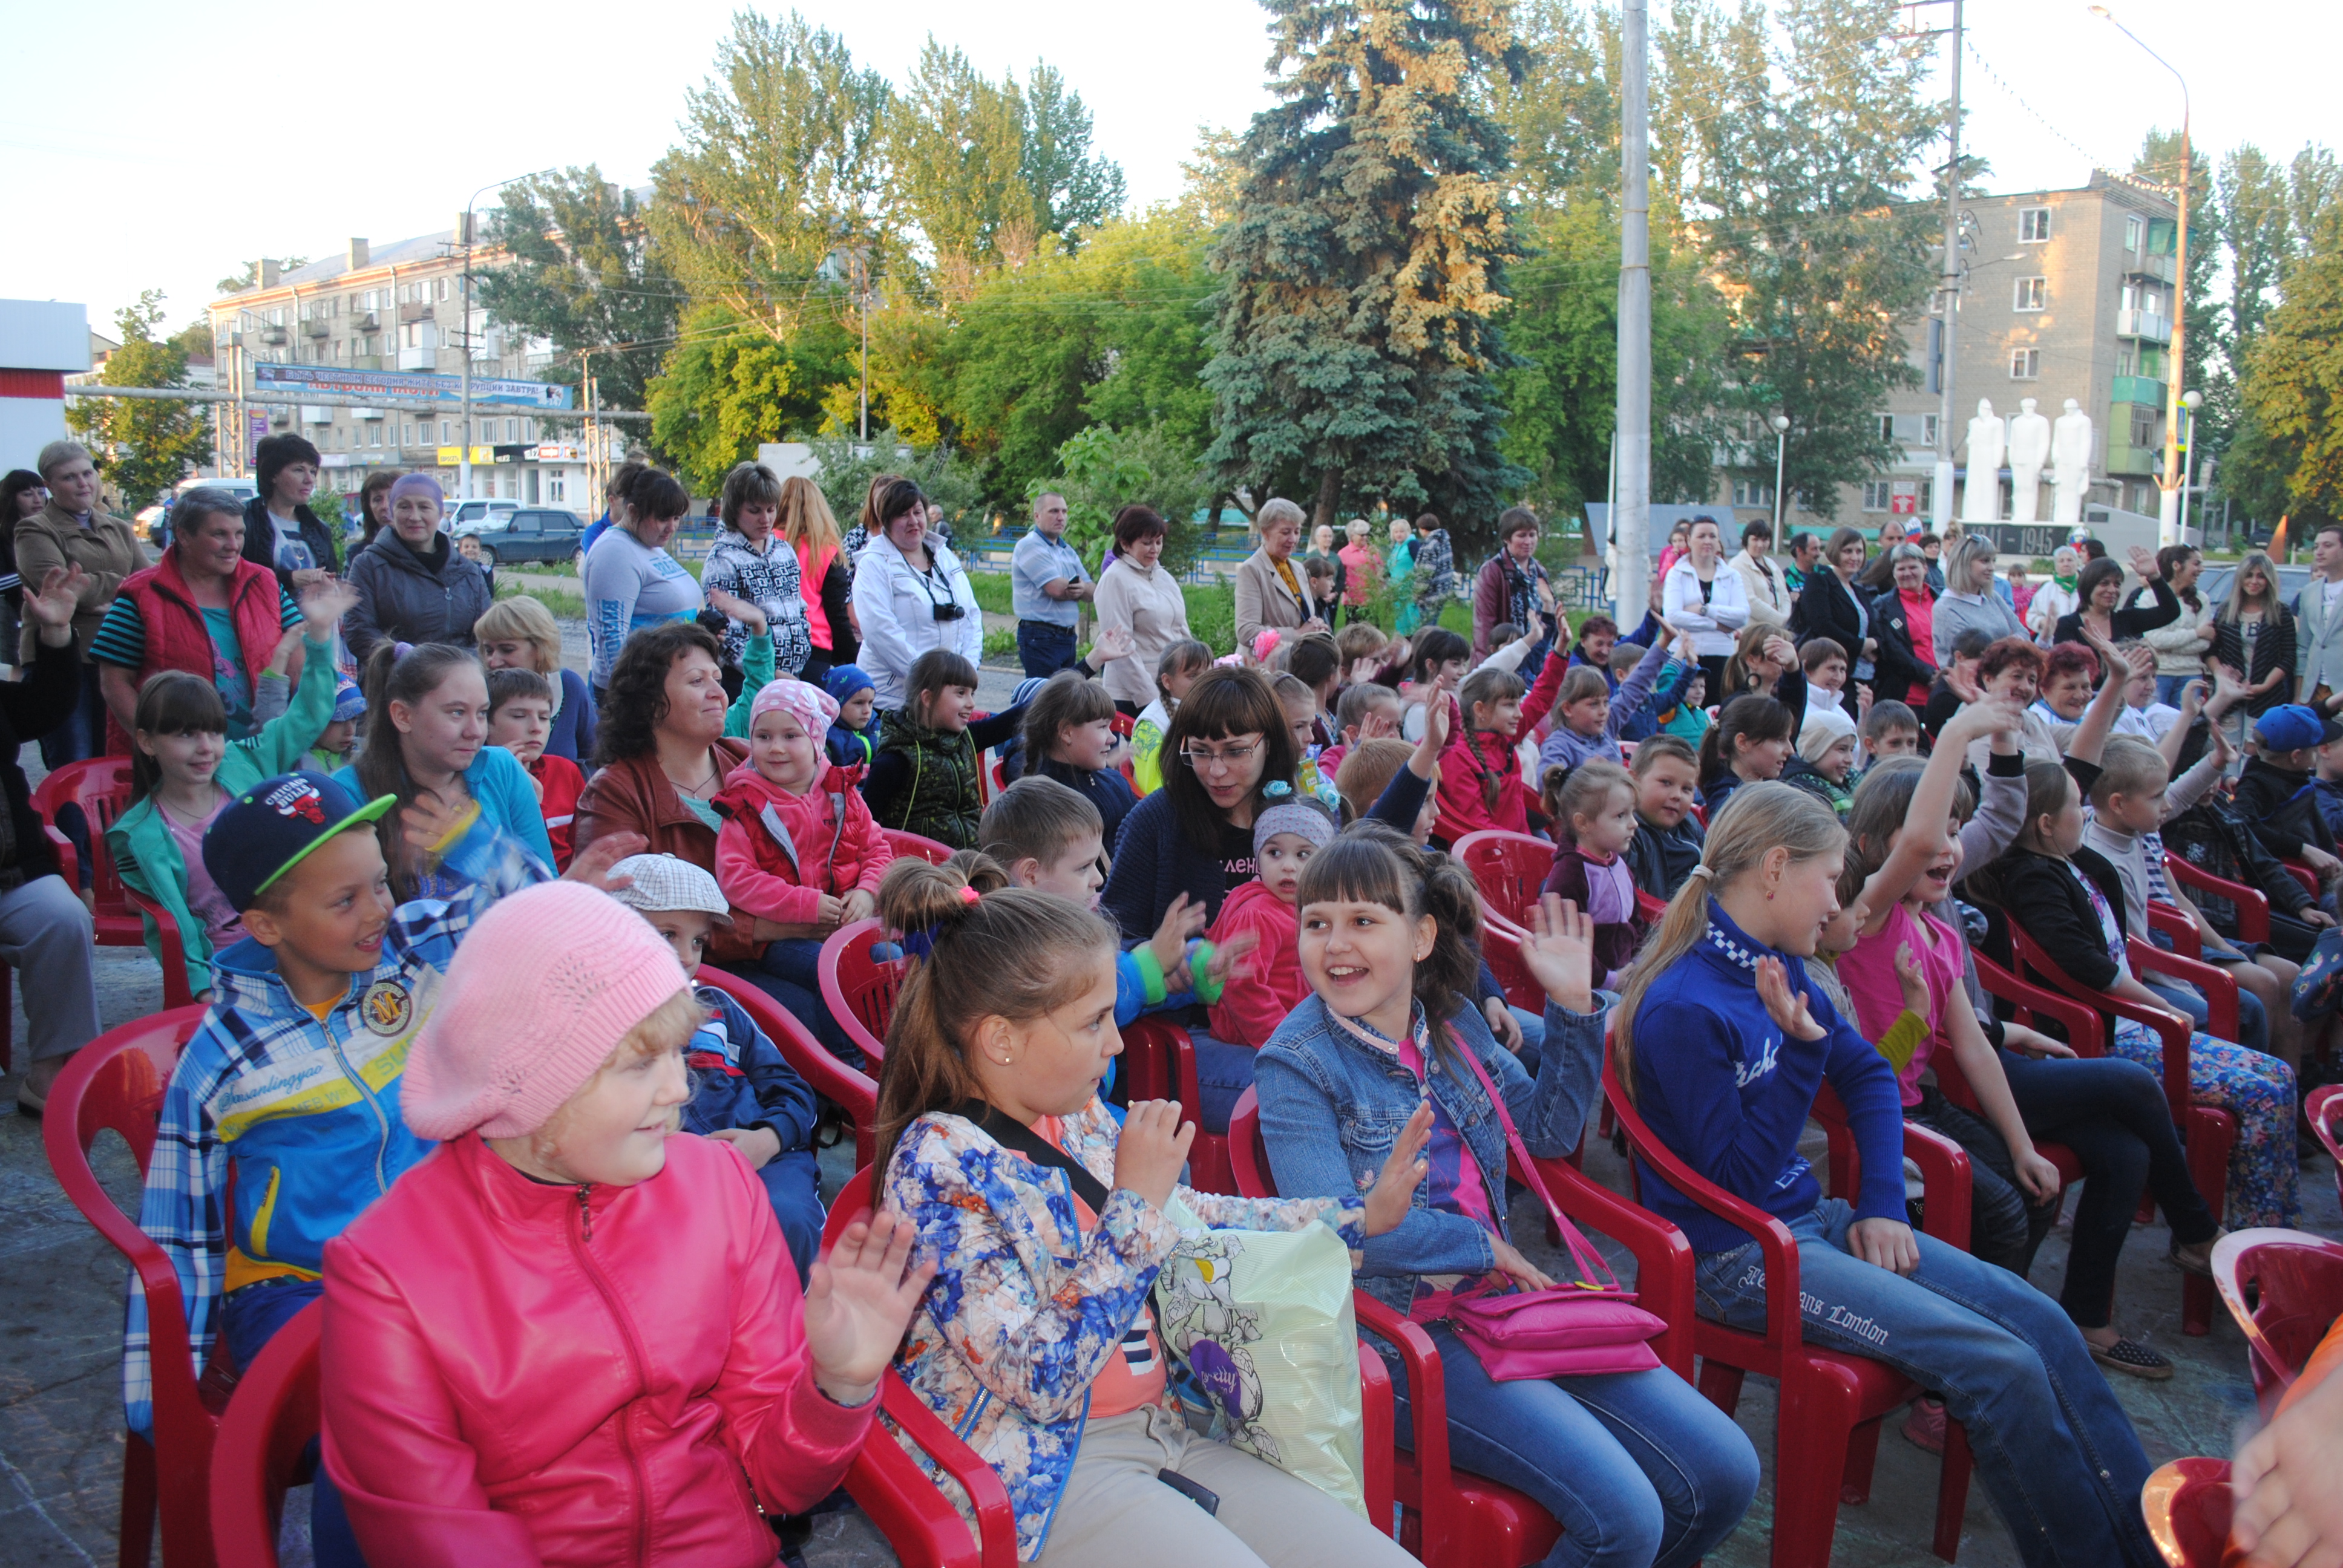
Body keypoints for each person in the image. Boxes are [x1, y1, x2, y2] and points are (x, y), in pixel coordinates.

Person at [1619, 782, 2168, 1568]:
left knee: (2041, 1323)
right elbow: (1737, 1188)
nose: (1839, 902)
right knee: (1997, 1365)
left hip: (1813, 1227)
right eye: (1831, 878)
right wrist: (1805, 1054)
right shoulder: (1684, 1007)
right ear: (1775, 869)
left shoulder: (1779, 969)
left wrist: (1881, 1202)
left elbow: (1873, 1079)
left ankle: (2147, 1548)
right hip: (1739, 1263)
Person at [321, 877, 925, 1566]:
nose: (679, 1089)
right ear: (526, 1077)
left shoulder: (719, 1188)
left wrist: (835, 1388)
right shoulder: (387, 1275)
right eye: (642, 1063)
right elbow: (436, 1538)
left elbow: (777, 1485)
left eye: (677, 1053)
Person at [871, 856, 1423, 1568]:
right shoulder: (938, 1167)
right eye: (1093, 1022)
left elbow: (1192, 1214)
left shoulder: (1075, 1121)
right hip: (1044, 1474)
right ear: (999, 1040)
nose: (1114, 1043)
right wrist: (1132, 1212)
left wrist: (1353, 1219)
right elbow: (1037, 1382)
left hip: (1163, 1429)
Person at [1259, 841, 1760, 1568]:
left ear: (1422, 935)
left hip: (1502, 1310)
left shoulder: (1452, 1021)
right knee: (1623, 1517)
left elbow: (1547, 1133)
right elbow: (1328, 1228)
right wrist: (1480, 1246)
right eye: (1316, 923)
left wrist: (1571, 1008)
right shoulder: (1294, 1063)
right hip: (1397, 1339)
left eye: (1363, 920)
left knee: (1723, 1473)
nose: (1335, 944)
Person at [123, 769, 595, 1473]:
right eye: (346, 900)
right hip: (296, 1288)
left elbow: (546, 917)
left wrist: (474, 845)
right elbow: (177, 1235)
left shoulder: (412, 960)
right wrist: (159, 1401)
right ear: (264, 926)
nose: (378, 910)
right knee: (386, 1423)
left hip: (436, 1262)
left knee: (555, 1375)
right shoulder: (222, 1059)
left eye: (380, 882)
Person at [1974, 752, 2301, 1232]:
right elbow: (2085, 963)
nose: (2084, 813)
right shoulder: (2034, 878)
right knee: (2262, 1095)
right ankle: (2259, 1241)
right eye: (2076, 805)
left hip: (2138, 1024)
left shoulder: (2068, 863)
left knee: (2281, 1078)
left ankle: (2269, 1233)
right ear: (2046, 824)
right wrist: (2162, 1006)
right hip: (2118, 1037)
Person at [110, 583, 352, 1001]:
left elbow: (309, 714)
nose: (206, 748)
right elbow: (170, 927)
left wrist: (319, 638)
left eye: (215, 731)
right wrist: (202, 987)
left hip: (295, 936)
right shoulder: (139, 834)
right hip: (232, 966)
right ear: (148, 742)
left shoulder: (243, 763)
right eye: (186, 735)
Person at [604, 854, 825, 1276]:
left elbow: (793, 1092)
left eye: (698, 941)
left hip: (763, 1163)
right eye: (668, 934)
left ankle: (786, 1334)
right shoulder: (602, 1026)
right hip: (663, 1178)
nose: (687, 955)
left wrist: (768, 1140)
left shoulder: (719, 1010)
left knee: (788, 1219)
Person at [576, 621, 797, 991]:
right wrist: (778, 926)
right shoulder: (615, 792)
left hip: (784, 938)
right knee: (815, 1009)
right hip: (689, 970)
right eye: (697, 682)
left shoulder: (749, 759)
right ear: (650, 703)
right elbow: (626, 918)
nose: (719, 693)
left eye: (717, 678)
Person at [712, 677, 887, 1066]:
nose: (775, 748)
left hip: (841, 924)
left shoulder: (842, 793)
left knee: (892, 959)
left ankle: (896, 1050)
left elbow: (877, 849)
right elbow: (737, 879)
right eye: (763, 736)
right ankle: (851, 1067)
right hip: (778, 937)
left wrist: (867, 891)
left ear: (816, 740)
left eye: (790, 735)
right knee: (833, 971)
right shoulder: (744, 805)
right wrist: (806, 904)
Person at [0, 564, 105, 1115]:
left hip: (11, 873)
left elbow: (43, 711)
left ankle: (50, 1073)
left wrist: (57, 635)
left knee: (63, 919)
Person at [337, 642, 555, 900]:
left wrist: (473, 846)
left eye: (483, 713)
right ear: (403, 716)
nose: (475, 731)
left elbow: (545, 890)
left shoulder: (502, 770)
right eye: (457, 712)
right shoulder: (347, 792)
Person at [93, 486, 304, 749]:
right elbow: (114, 684)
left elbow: (299, 656)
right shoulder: (139, 595)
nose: (234, 545)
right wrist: (157, 745)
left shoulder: (265, 583)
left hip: (258, 755)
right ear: (183, 536)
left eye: (240, 534)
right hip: (174, 767)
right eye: (220, 534)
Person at [15, 440, 140, 766]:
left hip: (119, 656)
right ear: (49, 486)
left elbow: (151, 583)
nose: (84, 483)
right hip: (64, 662)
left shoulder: (119, 529)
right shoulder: (33, 529)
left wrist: (99, 593)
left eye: (88, 473)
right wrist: (121, 586)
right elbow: (61, 589)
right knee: (75, 761)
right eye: (70, 477)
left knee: (121, 760)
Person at [863, 650, 1024, 851]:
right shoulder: (895, 760)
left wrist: (1069, 680)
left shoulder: (965, 739)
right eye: (961, 693)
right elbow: (865, 827)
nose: (971, 703)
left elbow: (1020, 716)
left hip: (969, 863)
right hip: (922, 874)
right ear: (928, 698)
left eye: (972, 694)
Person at [851, 478, 983, 711]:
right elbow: (880, 630)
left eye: (918, 512)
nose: (913, 521)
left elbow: (971, 616)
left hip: (943, 700)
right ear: (886, 521)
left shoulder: (945, 557)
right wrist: (930, 680)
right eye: (903, 515)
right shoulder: (873, 563)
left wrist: (965, 675)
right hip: (893, 701)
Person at [344, 475, 492, 664]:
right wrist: (404, 657)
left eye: (424, 507)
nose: (414, 517)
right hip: (395, 682)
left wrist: (458, 665)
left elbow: (488, 634)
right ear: (392, 512)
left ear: (440, 513)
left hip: (460, 682)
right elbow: (359, 633)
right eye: (404, 507)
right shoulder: (369, 566)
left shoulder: (468, 572)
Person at [582, 467, 703, 692]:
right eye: (663, 518)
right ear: (633, 512)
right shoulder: (614, 551)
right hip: (638, 692)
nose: (672, 528)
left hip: (665, 682)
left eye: (676, 518)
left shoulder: (648, 544)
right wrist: (629, 701)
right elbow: (612, 641)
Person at [700, 460, 814, 681]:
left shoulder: (784, 550)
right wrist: (772, 674)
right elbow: (727, 638)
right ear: (735, 511)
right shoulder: (723, 559)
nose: (766, 519)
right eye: (755, 511)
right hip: (748, 680)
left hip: (793, 675)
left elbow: (800, 609)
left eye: (771, 510)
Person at [1539, 760, 1649, 986]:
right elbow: (1565, 945)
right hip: (1588, 988)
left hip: (1625, 975)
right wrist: (1611, 980)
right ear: (1583, 823)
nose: (1634, 824)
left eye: (1632, 814)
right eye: (1621, 816)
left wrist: (1639, 962)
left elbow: (1635, 921)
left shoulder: (1619, 865)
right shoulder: (1570, 874)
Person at [473, 595, 598, 768]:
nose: (493, 662)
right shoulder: (477, 693)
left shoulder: (569, 686)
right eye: (488, 650)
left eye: (507, 650)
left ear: (540, 648)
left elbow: (595, 759)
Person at [1020, 670, 1141, 846]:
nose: (1112, 738)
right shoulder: (1053, 802)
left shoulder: (1110, 780)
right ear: (1066, 733)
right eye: (1102, 727)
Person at [1093, 504, 1191, 719]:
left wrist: (1198, 672)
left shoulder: (1163, 576)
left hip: (1170, 687)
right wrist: (1152, 700)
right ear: (1125, 544)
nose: (1154, 549)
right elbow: (1121, 650)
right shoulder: (1115, 579)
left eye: (1159, 542)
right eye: (1146, 543)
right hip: (1134, 695)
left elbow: (1182, 631)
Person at [484, 667, 584, 871]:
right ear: (486, 723)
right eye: (520, 716)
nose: (536, 727)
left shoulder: (565, 771)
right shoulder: (477, 778)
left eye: (545, 717)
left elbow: (584, 847)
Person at [776, 474, 854, 682]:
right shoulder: (826, 551)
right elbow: (837, 613)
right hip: (816, 649)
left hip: (773, 648)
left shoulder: (765, 543)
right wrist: (852, 655)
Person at [241, 433, 339, 593]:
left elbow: (333, 578)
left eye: (313, 472)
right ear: (272, 475)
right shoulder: (246, 521)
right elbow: (235, 577)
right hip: (266, 616)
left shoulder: (319, 529)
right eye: (299, 470)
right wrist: (289, 579)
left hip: (314, 618)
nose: (310, 480)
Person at [1663, 515, 1751, 693]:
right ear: (1689, 540)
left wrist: (1705, 610)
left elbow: (1742, 616)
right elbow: (1673, 616)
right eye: (1701, 536)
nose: (1708, 541)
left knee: (1716, 711)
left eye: (1713, 536)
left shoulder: (1732, 575)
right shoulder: (1677, 574)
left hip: (1721, 656)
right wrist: (1718, 625)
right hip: (1684, 654)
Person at [1011, 491, 1092, 678]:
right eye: (1054, 511)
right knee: (1045, 702)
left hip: (1067, 637)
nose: (1061, 517)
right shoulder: (1029, 546)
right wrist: (1081, 588)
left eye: (1064, 511)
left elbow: (1093, 592)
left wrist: (1080, 588)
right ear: (1037, 516)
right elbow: (1057, 589)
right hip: (1040, 637)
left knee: (1064, 699)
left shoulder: (1067, 551)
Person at [1234, 497, 1331, 652]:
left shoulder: (1298, 568)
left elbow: (1302, 617)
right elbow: (1247, 632)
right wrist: (1298, 634)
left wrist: (1316, 626)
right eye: (1286, 532)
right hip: (1265, 669)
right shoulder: (1252, 570)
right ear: (1265, 532)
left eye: (1297, 532)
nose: (1293, 539)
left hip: (1297, 663)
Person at [1788, 526, 1873, 688]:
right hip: (1830, 675)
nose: (1855, 557)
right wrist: (1861, 646)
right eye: (1848, 551)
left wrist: (1875, 645)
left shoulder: (1860, 591)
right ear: (1835, 551)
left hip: (1864, 676)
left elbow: (1875, 630)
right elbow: (1822, 625)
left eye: (1859, 551)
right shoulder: (1820, 581)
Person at [1623, 734, 1705, 901]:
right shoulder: (1626, 836)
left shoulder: (1689, 824)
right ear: (1634, 782)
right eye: (1666, 782)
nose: (1677, 796)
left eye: (1687, 789)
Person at [2132, 544, 2212, 707]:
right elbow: (2155, 640)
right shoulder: (2149, 598)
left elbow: (2205, 642)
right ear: (2177, 566)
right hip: (2158, 675)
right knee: (2153, 725)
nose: (2202, 569)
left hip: (2191, 675)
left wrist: (2168, 644)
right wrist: (2196, 633)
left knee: (2184, 726)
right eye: (2196, 564)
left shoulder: (2201, 599)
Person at [2051, 547, 2176, 648]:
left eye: (2117, 584)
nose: (2112, 590)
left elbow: (2171, 612)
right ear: (2088, 586)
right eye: (2104, 584)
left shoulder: (2126, 620)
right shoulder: (2068, 625)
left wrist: (2154, 576)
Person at [1132, 639, 1211, 795]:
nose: (1204, 681)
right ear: (1168, 682)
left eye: (1208, 673)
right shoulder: (1151, 725)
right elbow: (1154, 792)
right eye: (1193, 676)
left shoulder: (1205, 710)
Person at [1930, 535, 2025, 664]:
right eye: (1985, 561)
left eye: (1993, 560)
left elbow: (2023, 633)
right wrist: (2012, 642)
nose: (1992, 567)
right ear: (1964, 563)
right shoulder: (1945, 608)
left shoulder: (1992, 597)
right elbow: (1974, 657)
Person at [1473, 507, 1552, 659]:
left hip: (1537, 657)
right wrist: (1486, 669)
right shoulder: (1493, 571)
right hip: (1505, 658)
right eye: (1522, 536)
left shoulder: (1539, 571)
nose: (1528, 541)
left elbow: (1549, 616)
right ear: (1507, 538)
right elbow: (1484, 627)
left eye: (1532, 535)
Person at [1696, 694, 1794, 815]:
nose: (1790, 750)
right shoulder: (1730, 803)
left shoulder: (1758, 792)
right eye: (1779, 739)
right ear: (1742, 743)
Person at [1870, 543, 1938, 708]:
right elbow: (1893, 651)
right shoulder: (1883, 606)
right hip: (1907, 696)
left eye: (1913, 567)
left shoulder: (1942, 600)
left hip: (1944, 692)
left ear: (1925, 568)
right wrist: (1930, 676)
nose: (1907, 573)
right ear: (1894, 572)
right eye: (1901, 569)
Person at [0, 468, 47, 665]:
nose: (37, 499)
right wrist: (34, 574)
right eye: (28, 494)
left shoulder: (51, 529)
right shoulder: (4, 536)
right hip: (14, 614)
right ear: (13, 499)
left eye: (41, 492)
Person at [2298, 520, 2343, 713]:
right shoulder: (2309, 592)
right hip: (2315, 688)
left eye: (2328, 545)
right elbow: (2304, 645)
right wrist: (2300, 695)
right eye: (2316, 546)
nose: (2319, 552)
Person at [1729, 518, 1791, 629]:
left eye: (1765, 540)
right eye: (1755, 539)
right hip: (1753, 632)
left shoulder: (1772, 565)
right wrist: (1780, 620)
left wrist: (1786, 618)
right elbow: (1749, 601)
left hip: (1777, 631)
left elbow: (1785, 595)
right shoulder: (1737, 565)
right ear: (1747, 540)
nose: (1760, 544)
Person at [823, 664, 878, 769]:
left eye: (870, 702)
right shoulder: (827, 737)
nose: (867, 711)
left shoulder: (878, 728)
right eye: (859, 703)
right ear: (837, 704)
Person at [1409, 512, 1457, 631]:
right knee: (1433, 627)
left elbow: (1426, 573)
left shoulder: (1429, 546)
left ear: (1423, 529)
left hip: (1430, 596)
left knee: (1426, 631)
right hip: (1442, 592)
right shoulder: (1444, 542)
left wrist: (1417, 594)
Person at [2025, 545, 2082, 644]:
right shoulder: (2047, 589)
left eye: (2070, 560)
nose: (2066, 564)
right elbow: (2031, 616)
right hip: (2053, 642)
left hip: (2080, 641)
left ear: (2077, 563)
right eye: (2062, 561)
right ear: (2056, 566)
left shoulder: (2084, 587)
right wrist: (2044, 622)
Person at [1337, 519, 1381, 624]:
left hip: (1371, 599)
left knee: (1373, 629)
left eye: (1366, 534)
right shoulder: (1343, 553)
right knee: (1353, 628)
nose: (1365, 538)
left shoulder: (1373, 551)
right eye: (1362, 535)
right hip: (1353, 600)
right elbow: (1340, 576)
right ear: (1352, 536)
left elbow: (1381, 570)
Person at [347, 469, 398, 554]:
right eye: (378, 500)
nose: (385, 506)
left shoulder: (423, 549)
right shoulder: (357, 553)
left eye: (392, 497)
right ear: (369, 507)